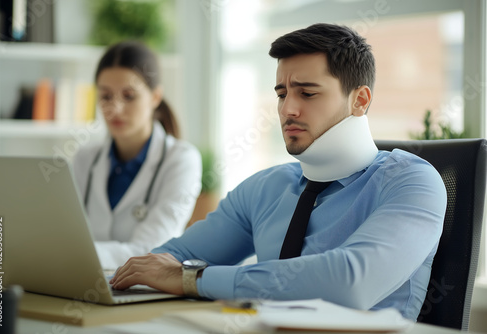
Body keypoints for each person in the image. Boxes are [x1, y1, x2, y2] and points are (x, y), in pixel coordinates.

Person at [109, 24, 447, 321]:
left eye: (307, 93)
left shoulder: (412, 182)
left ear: (360, 100)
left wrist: (191, 279)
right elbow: (173, 259)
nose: (287, 109)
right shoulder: (266, 188)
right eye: (282, 94)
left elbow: (348, 283)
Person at [72, 41, 202, 270]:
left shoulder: (181, 160)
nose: (115, 108)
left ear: (155, 97)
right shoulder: (85, 158)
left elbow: (151, 251)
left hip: (144, 294)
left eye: (129, 96)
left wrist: (70, 253)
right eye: (106, 97)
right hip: (83, 281)